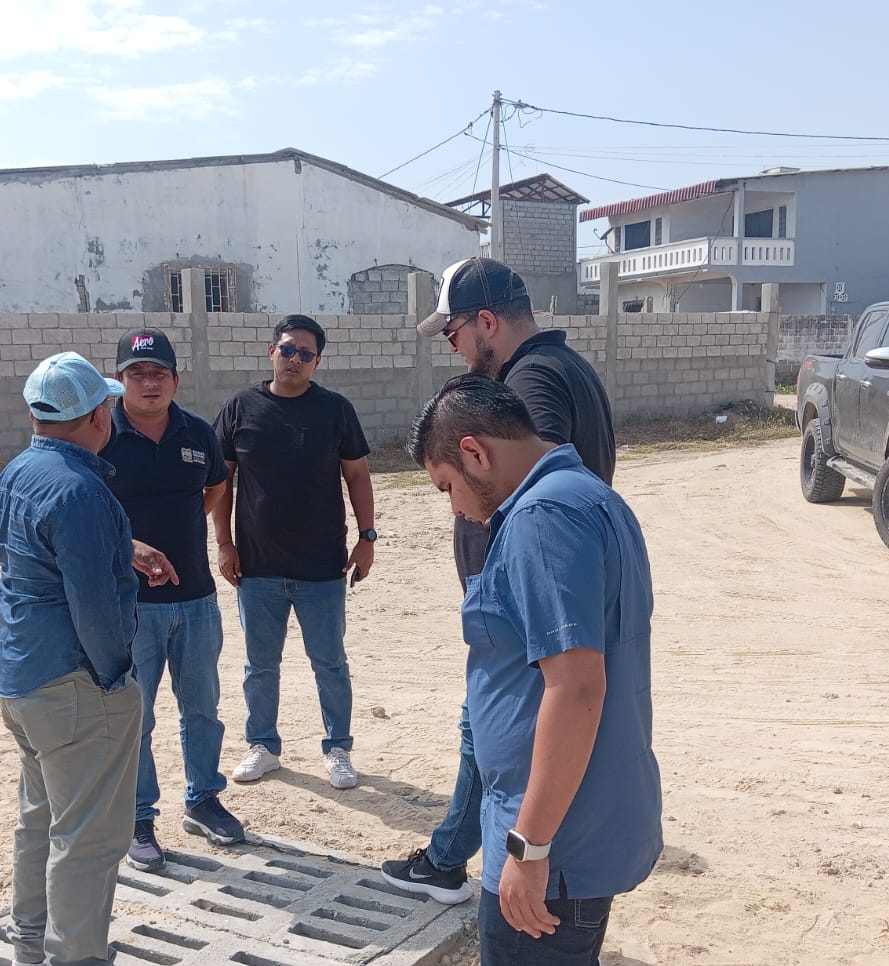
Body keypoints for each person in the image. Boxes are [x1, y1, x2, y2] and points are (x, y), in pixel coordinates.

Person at [409, 373, 672, 966]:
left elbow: (576, 687)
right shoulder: (585, 495)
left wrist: (528, 847)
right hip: (577, 821)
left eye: (448, 487)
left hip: (552, 834)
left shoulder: (540, 519)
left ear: (475, 452)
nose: (457, 509)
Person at [382, 257, 615, 904]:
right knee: (489, 732)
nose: (452, 347)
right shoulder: (563, 367)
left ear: (486, 321)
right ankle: (455, 855)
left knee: (493, 735)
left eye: (453, 332)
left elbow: (525, 491)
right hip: (532, 601)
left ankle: (479, 864)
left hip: (521, 607)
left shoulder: (531, 380)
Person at [0, 351, 176, 966]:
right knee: (91, 834)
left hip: (21, 673)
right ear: (98, 416)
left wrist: (122, 545)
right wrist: (115, 676)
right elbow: (94, 604)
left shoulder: (17, 473)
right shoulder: (81, 491)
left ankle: (30, 946)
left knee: (42, 818)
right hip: (74, 682)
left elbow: (39, 555)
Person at [100, 329, 243, 873]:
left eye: (158, 372)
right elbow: (85, 510)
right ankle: (138, 817)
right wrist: (130, 546)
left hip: (197, 600)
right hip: (131, 607)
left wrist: (187, 525)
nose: (149, 382)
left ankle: (203, 799)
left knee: (202, 708)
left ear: (176, 380)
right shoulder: (101, 435)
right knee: (136, 717)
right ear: (120, 381)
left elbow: (217, 486)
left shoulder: (198, 433)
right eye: (137, 373)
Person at [212, 314, 375, 790]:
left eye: (306, 354)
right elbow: (221, 482)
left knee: (330, 663)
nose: (295, 360)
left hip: (322, 565)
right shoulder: (240, 407)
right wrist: (224, 543)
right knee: (260, 665)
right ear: (272, 352)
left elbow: (357, 475)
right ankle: (263, 745)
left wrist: (367, 538)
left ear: (317, 362)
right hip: (257, 565)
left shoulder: (335, 410)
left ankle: (338, 748)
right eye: (287, 349)